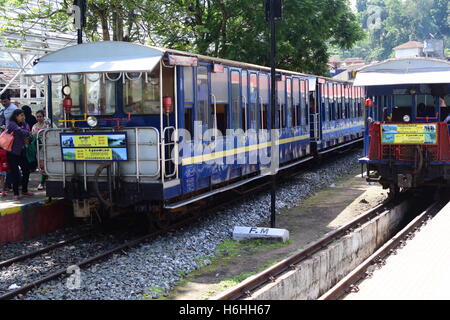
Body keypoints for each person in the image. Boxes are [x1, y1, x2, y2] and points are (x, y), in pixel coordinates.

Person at [6, 109, 33, 200]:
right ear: (16, 116)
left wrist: (28, 135)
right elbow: (20, 131)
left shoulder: (24, 124)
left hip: (21, 151)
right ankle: (16, 193)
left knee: (26, 170)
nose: (23, 117)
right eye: (21, 115)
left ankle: (24, 190)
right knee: (15, 173)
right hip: (12, 153)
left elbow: (27, 135)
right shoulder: (12, 124)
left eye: (23, 115)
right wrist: (28, 133)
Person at [31, 110, 49, 190]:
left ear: (43, 116)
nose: (39, 118)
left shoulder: (48, 124)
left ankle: (43, 182)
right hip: (39, 148)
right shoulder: (34, 126)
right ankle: (43, 182)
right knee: (42, 166)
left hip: (48, 146)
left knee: (48, 164)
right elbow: (32, 136)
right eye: (37, 116)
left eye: (40, 116)